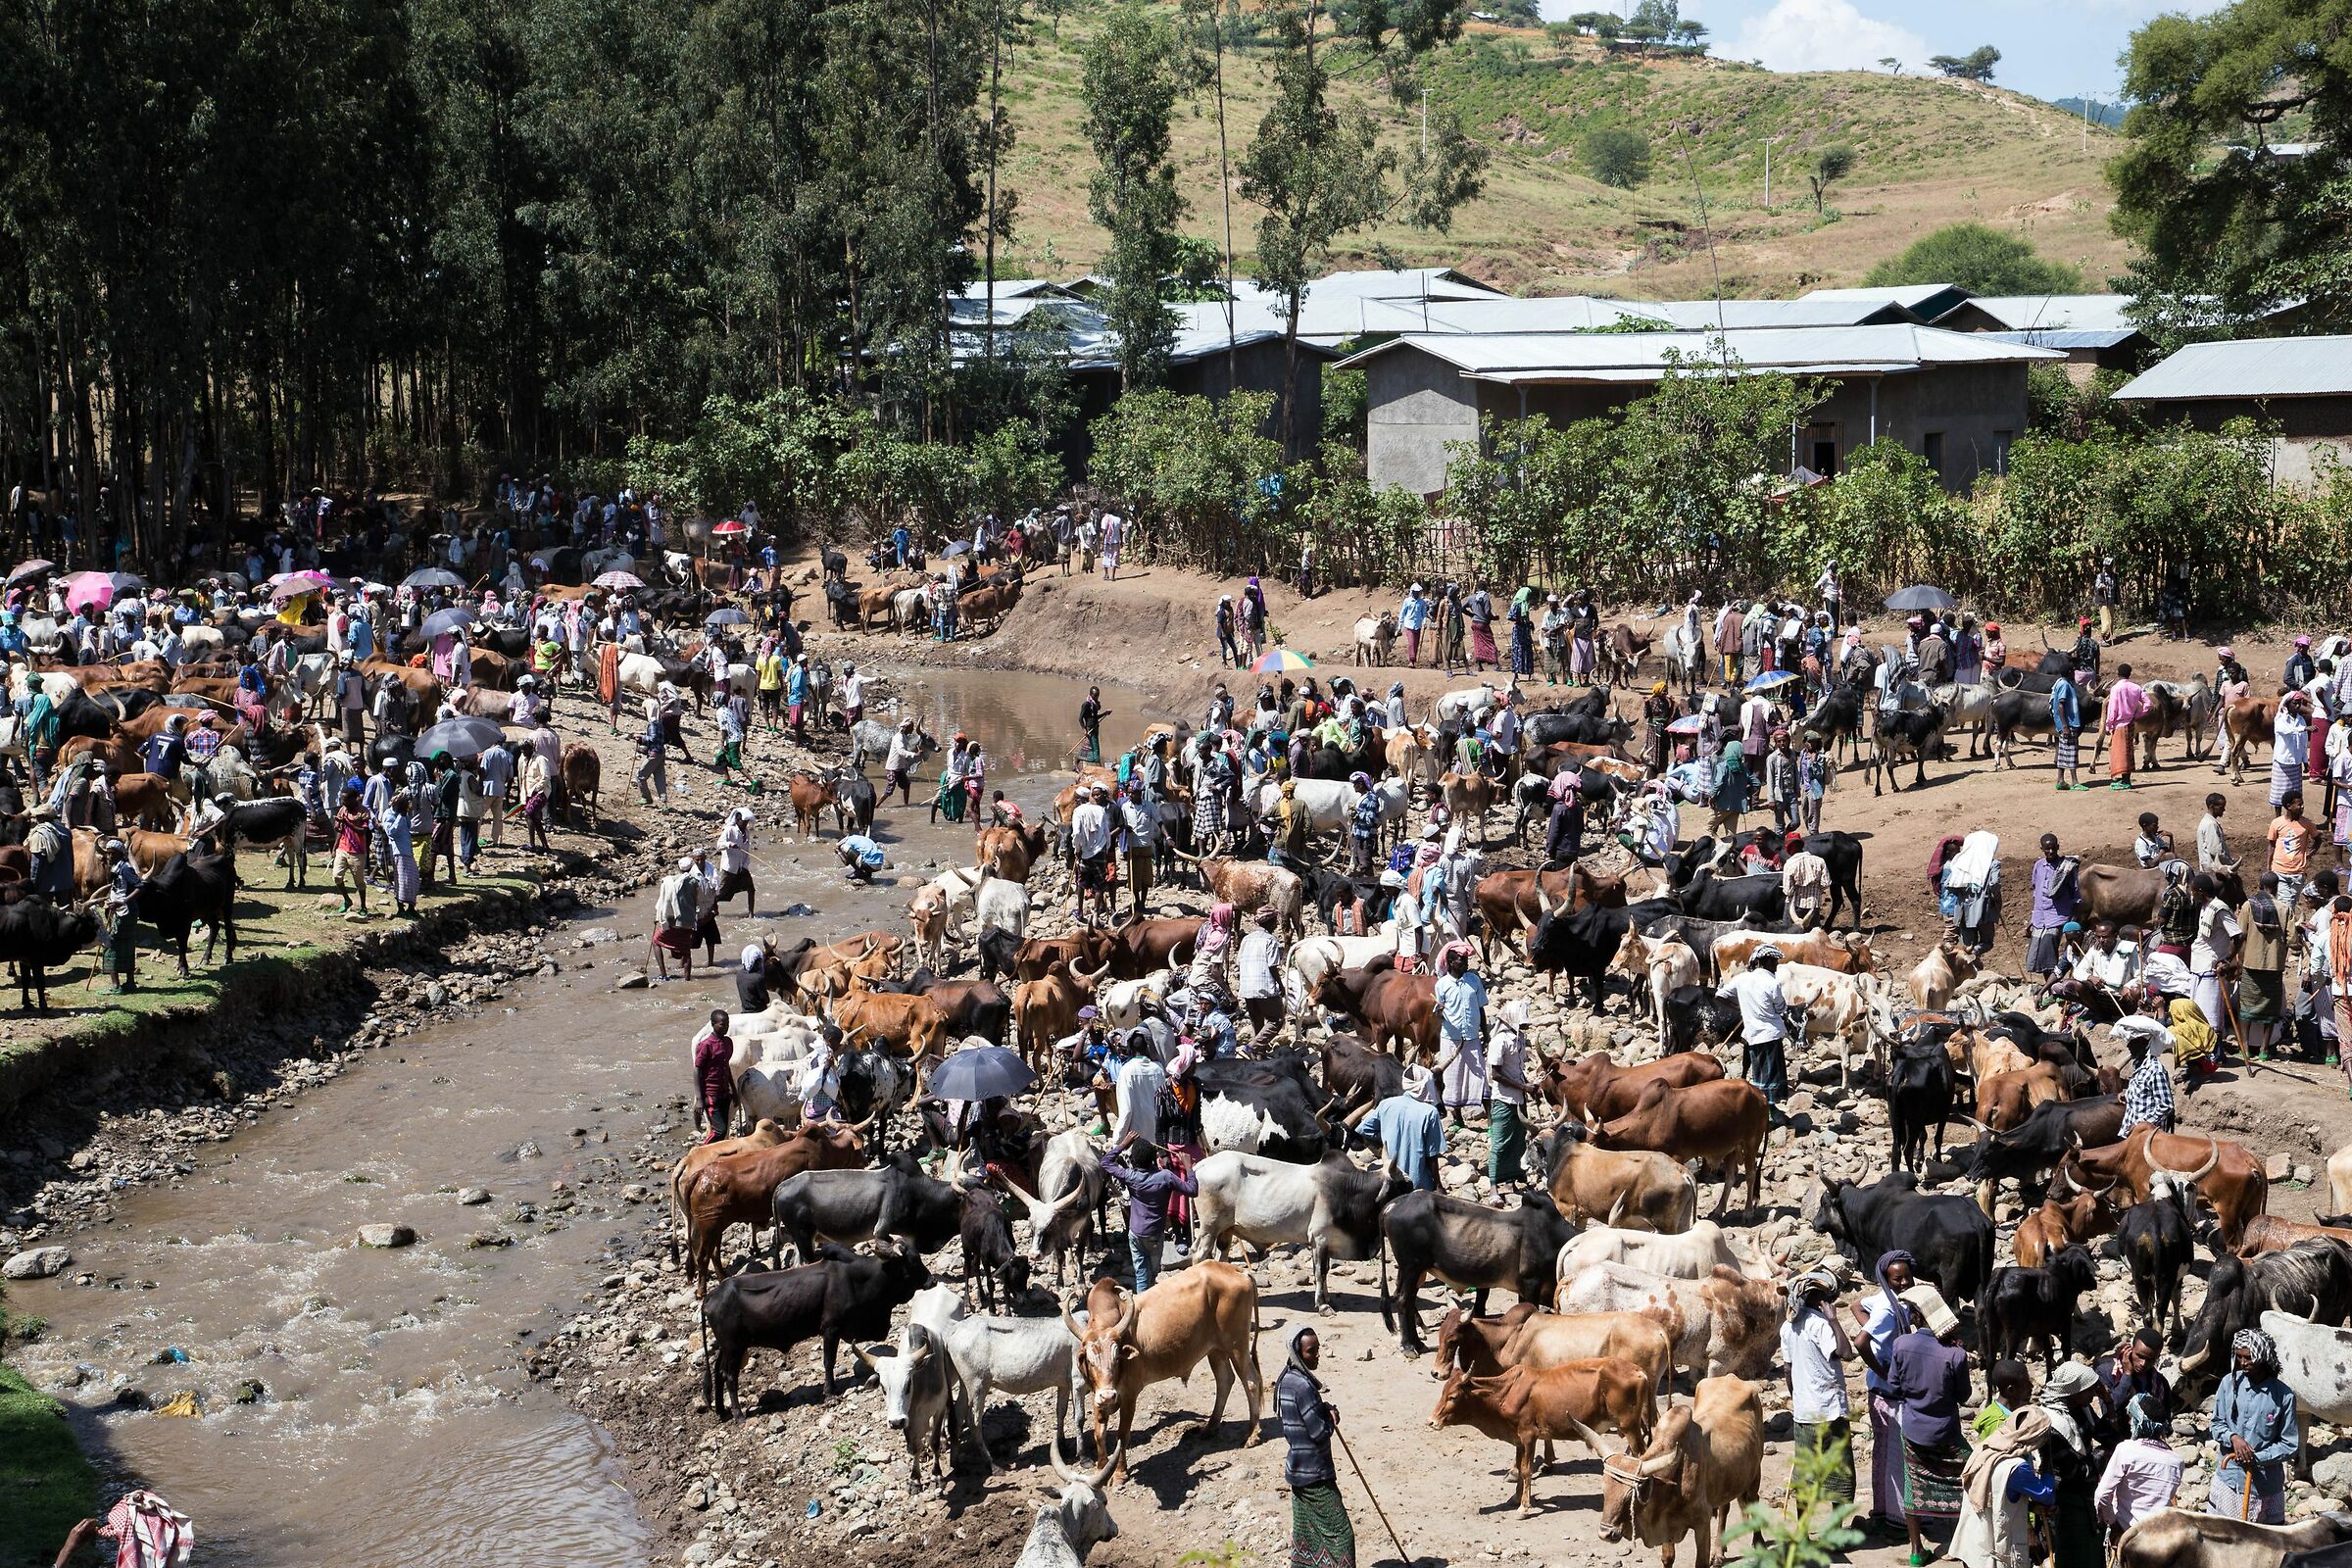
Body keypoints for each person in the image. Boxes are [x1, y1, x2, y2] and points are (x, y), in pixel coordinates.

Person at [1890, 1286, 1972, 1567]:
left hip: (1913, 1430)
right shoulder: (1955, 1355)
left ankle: (1916, 1550)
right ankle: (1963, 1542)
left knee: (1914, 1486)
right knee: (1971, 1476)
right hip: (1946, 1432)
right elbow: (1964, 1396)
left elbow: (1894, 1385)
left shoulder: (1901, 1345)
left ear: (1915, 1316)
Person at [1278, 1327, 1354, 1568]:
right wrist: (1331, 1416)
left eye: (1318, 1349)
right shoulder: (1304, 1386)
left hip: (1297, 1471)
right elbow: (1318, 1433)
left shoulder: (1286, 1380)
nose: (1317, 1355)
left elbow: (1299, 1420)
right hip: (1315, 1474)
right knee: (1342, 1534)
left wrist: (1321, 1409)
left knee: (1306, 1533)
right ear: (1297, 1353)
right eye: (1312, 1351)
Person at [1784, 1270, 1858, 1505]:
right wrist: (1834, 1320)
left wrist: (1798, 1398)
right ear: (1819, 1299)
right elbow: (1845, 1353)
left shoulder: (1788, 1327)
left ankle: (1802, 1534)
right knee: (1840, 1474)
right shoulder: (1821, 1325)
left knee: (1805, 1477)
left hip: (1805, 1412)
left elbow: (1787, 1369)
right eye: (1826, 1297)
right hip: (1830, 1410)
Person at [1854, 1250, 1915, 1535]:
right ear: (1885, 1279)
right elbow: (1860, 1342)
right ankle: (1895, 1517)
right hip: (1885, 1390)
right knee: (1893, 1455)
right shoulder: (1889, 1310)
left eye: (1906, 1277)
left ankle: (1882, 1510)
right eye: (1897, 1279)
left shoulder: (1883, 1300)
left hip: (1883, 1388)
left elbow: (1856, 1305)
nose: (1903, 1283)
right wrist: (1881, 1369)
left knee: (1884, 1450)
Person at [2209, 1329, 2298, 1522]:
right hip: (2229, 1479)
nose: (2243, 1363)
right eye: (2239, 1357)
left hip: (2264, 1486)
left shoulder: (2284, 1396)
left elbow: (2289, 1444)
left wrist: (2256, 1457)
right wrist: (2233, 1438)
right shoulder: (2228, 1384)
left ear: (2263, 1357)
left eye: (2249, 1358)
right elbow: (2216, 1423)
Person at [1952, 1407, 2055, 1568]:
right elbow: (2047, 1495)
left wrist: (2031, 1506)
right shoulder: (2017, 1468)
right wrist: (2048, 1458)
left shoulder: (1986, 1448)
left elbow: (1999, 1496)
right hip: (1992, 1552)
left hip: (1972, 1543)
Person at [1100, 1137, 1195, 1293]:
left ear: (1134, 1161)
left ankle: (1142, 1304)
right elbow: (1192, 1190)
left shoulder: (1131, 1176)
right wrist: (1188, 1167)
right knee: (1153, 1272)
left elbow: (1106, 1162)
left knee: (1141, 1273)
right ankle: (1147, 1303)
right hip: (1155, 1235)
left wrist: (1123, 1145)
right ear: (1153, 1158)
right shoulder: (1166, 1177)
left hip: (1135, 1233)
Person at [2037, 1361, 2108, 1568]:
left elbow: (2110, 1436)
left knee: (2092, 1551)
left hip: (2086, 1493)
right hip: (2065, 1497)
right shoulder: (2052, 1422)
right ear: (2073, 1391)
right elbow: (2068, 1469)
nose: (2093, 1395)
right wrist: (2102, 1455)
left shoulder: (2081, 1409)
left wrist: (2109, 1403)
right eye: (2088, 1390)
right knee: (2071, 1551)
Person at [2096, 1394, 2183, 1542]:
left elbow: (2102, 1495)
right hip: (2161, 1537)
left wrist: (2113, 1524)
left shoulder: (2126, 1450)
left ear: (2138, 1422)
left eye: (2131, 1418)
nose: (2130, 1423)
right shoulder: (2176, 1461)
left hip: (2128, 1534)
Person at [1717, 945, 1791, 1106]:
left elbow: (1720, 994)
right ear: (1767, 962)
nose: (1777, 966)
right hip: (1770, 1035)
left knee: (1759, 1072)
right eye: (1775, 962)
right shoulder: (1773, 983)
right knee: (1772, 1073)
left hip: (1752, 1034)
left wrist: (1740, 1007)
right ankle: (1769, 1110)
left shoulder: (1741, 979)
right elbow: (1781, 1008)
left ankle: (1758, 1105)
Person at [1353, 1065, 1445, 1190]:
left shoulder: (1386, 1104)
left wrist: (1386, 1138)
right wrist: (1438, 1185)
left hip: (1390, 1178)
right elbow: (1432, 1156)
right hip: (1417, 1183)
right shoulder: (1430, 1113)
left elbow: (1364, 1129)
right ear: (1425, 1085)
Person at [1432, 942, 1488, 1128]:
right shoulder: (1442, 985)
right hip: (1451, 1039)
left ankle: (1490, 1120)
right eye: (1461, 960)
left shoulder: (1474, 981)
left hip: (1471, 1037)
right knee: (1451, 1078)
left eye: (1466, 959)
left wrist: (1485, 1034)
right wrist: (1438, 1012)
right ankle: (1458, 1119)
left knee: (1480, 1077)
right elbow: (1439, 1013)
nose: (1465, 963)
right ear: (1450, 962)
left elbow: (1481, 1009)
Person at [2239, 872, 2290, 1057]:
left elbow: (2241, 934)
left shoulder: (2248, 906)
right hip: (2274, 966)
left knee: (2246, 1007)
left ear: (2260, 886)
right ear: (2276, 887)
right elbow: (2292, 940)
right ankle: (2264, 1050)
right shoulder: (2284, 908)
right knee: (2271, 1008)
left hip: (2251, 964)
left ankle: (2244, 1048)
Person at [1486, 997, 1533, 1190]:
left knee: (1518, 1140)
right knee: (1500, 1143)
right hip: (1504, 1099)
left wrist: (1528, 1085)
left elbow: (1518, 1069)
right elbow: (1495, 1074)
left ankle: (1512, 1179)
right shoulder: (1499, 1041)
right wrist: (1522, 1087)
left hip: (1519, 1099)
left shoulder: (1519, 1039)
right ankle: (1493, 1186)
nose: (1525, 1026)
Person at [2116, 1004, 2178, 1134]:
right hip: (2134, 1134)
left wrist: (2140, 1125)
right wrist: (2128, 1094)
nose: (2129, 1046)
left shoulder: (2155, 1070)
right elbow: (2145, 1094)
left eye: (2133, 1042)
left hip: (2147, 1136)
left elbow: (2165, 1106)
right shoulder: (2139, 1065)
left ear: (2146, 1043)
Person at [2026, 835, 2082, 979]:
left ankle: (2054, 986)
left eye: (2053, 848)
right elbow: (2035, 889)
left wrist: (2073, 917)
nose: (2050, 851)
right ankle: (2049, 985)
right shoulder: (2039, 865)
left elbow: (2075, 892)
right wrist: (2033, 916)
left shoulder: (2066, 867)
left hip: (2057, 916)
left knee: (2049, 952)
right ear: (2042, 849)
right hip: (2040, 916)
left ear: (2058, 846)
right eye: (2047, 849)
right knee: (2039, 953)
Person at [1237, 906, 1286, 1050]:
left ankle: (1258, 1055)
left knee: (1257, 1022)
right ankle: (1252, 1047)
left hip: (1247, 986)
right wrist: (1280, 985)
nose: (1276, 924)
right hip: (1264, 986)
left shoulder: (1246, 939)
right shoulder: (1270, 940)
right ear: (1269, 922)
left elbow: (1239, 961)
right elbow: (1272, 966)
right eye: (1274, 921)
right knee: (1276, 1020)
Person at [650, 856, 701, 981]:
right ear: (691, 868)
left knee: (656, 941)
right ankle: (687, 979)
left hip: (672, 922)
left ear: (679, 867)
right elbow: (696, 902)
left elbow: (663, 901)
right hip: (687, 923)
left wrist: (659, 917)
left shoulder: (668, 881)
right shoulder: (695, 882)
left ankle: (663, 974)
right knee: (686, 951)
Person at [2271, 791, 2318, 918]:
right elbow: (2271, 845)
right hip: (2279, 870)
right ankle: (2287, 929)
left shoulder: (2307, 824)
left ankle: (2286, 926)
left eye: (2302, 804)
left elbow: (2318, 839)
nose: (2302, 807)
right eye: (2299, 805)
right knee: (2286, 903)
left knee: (2292, 901)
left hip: (2298, 872)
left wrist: (2309, 854)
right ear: (2288, 806)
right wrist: (2269, 867)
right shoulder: (2277, 823)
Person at [692, 1008, 734, 1144]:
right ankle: (701, 1152)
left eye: (727, 1024)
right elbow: (697, 1070)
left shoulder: (728, 1043)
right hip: (711, 1094)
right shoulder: (706, 1045)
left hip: (724, 1093)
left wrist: (734, 1090)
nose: (726, 1027)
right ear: (713, 1024)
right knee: (719, 1130)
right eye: (722, 1024)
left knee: (724, 1130)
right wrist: (699, 1098)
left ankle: (715, 1157)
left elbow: (726, 1067)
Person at [2103, 662, 2148, 790]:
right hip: (2130, 723)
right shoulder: (2136, 688)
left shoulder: (2116, 689)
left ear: (2118, 674)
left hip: (2119, 724)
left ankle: (2125, 781)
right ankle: (2125, 779)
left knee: (2120, 752)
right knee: (2128, 751)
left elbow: (2112, 709)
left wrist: (2108, 725)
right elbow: (2148, 704)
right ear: (2130, 674)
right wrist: (2138, 715)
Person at [1972, 1360, 2034, 1444]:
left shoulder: (2003, 1412)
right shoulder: (1999, 1424)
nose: (2032, 1386)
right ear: (2011, 1390)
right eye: (2025, 1384)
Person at [2050, 671, 2084, 791]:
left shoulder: (2060, 683)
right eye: (2072, 671)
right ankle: (2075, 781)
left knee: (2063, 752)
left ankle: (2060, 780)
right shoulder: (2065, 685)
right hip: (2069, 724)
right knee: (2071, 752)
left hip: (2065, 723)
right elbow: (2061, 704)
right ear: (2068, 672)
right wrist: (2065, 725)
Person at [1079, 685, 1107, 764]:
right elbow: (1080, 718)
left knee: (1094, 746)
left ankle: (1092, 761)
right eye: (1095, 695)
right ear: (1091, 694)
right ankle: (1097, 763)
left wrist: (1105, 714)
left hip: (1095, 728)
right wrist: (1084, 729)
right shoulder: (1086, 705)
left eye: (1098, 695)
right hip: (1089, 729)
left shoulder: (1094, 705)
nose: (1096, 697)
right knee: (1095, 748)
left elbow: (1095, 717)